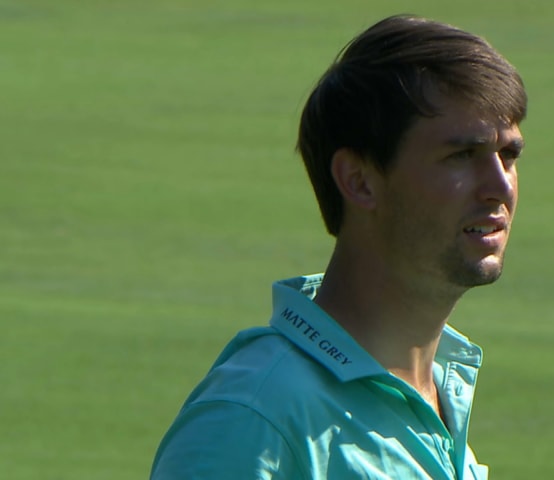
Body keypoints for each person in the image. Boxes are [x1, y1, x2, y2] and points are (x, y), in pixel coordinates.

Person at [150, 14, 527, 480]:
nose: (499, 186)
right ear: (359, 180)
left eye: (508, 155)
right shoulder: (254, 418)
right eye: (460, 156)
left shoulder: (437, 394)